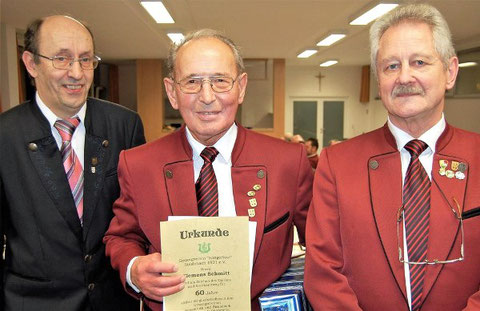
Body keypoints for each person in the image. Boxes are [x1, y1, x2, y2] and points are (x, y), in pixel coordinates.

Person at [103, 29, 313, 311]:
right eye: (192, 82)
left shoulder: (288, 161)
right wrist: (134, 268)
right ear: (172, 92)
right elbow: (121, 237)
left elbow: (321, 247)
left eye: (220, 81)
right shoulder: (138, 164)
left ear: (241, 87)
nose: (207, 96)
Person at [304, 3, 480, 311]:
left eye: (420, 62)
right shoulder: (337, 164)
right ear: (379, 79)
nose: (404, 77)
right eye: (391, 66)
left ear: (450, 72)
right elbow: (323, 273)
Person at [0, 15, 145, 310]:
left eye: (86, 59)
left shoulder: (124, 126)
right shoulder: (5, 136)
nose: (77, 73)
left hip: (113, 302)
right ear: (31, 64)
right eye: (62, 59)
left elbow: (137, 220)